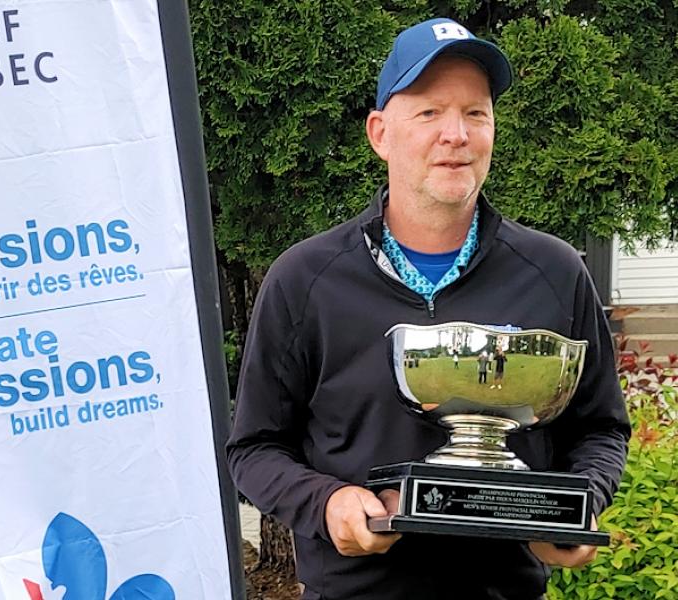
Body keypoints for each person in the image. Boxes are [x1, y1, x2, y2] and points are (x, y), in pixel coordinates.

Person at [226, 16, 630, 600]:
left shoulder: (555, 271)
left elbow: (600, 427)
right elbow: (254, 447)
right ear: (380, 133)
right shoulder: (306, 278)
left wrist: (573, 505)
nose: (456, 134)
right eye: (429, 112)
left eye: (475, 113)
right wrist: (328, 502)